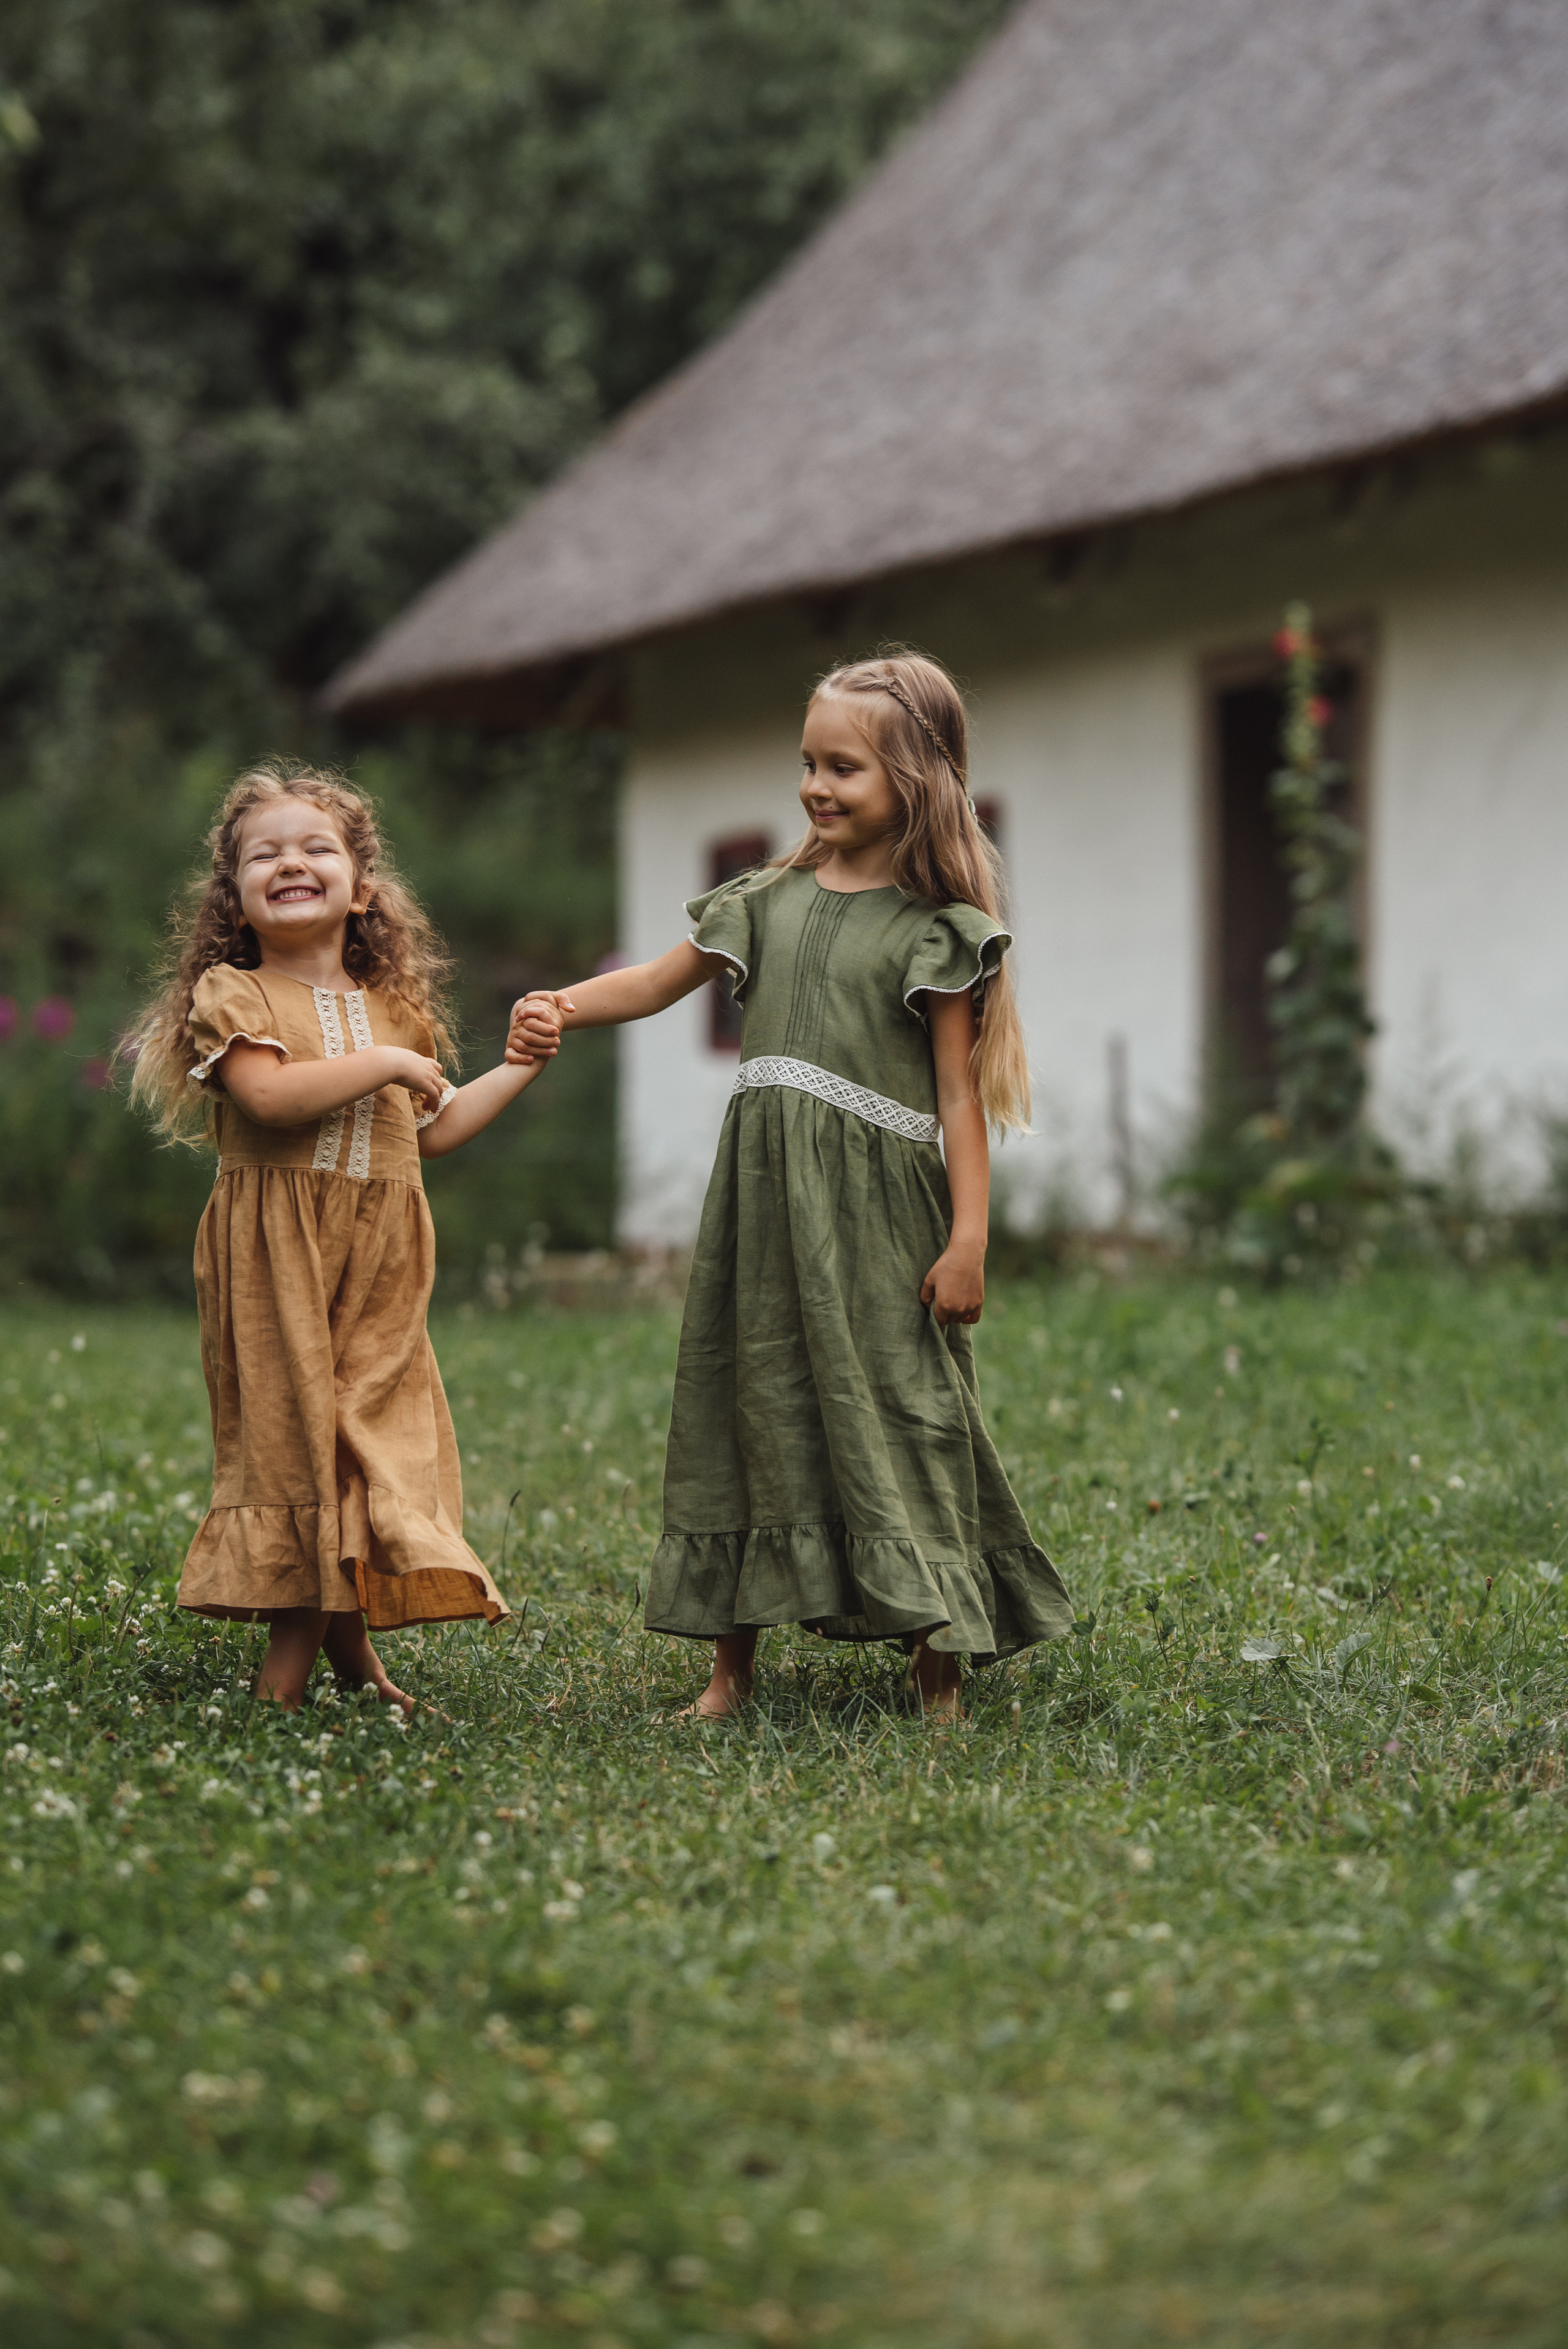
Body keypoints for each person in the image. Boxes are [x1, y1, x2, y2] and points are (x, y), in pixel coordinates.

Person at [508, 650, 1071, 1719]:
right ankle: (729, 1672)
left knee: (903, 1410)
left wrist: (970, 1240)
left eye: (844, 767)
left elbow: (959, 1098)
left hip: (881, 1218)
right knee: (748, 1401)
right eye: (809, 762)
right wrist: (566, 1007)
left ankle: (938, 1669)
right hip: (764, 1210)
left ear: (917, 779)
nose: (817, 785)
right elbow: (655, 979)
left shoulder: (934, 929)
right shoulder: (763, 896)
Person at [127, 762, 560, 1711]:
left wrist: (517, 1068)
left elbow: (433, 1129)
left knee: (362, 1450)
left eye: (316, 847)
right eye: (264, 853)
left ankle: (354, 1662)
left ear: (361, 887)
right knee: (299, 1450)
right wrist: (394, 1062)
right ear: (234, 898)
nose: (291, 861)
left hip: (381, 1260)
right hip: (276, 1256)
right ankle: (286, 1679)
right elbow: (271, 1099)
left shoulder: (396, 1011)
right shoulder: (233, 994)